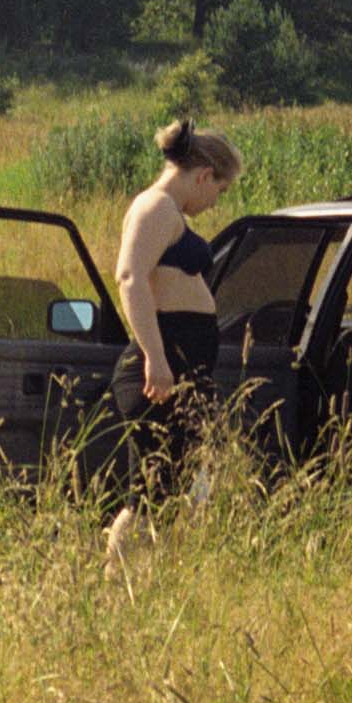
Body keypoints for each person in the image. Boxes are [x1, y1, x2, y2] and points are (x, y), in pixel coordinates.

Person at [109, 118, 243, 498]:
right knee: (151, 495)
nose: (216, 200)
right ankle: (117, 561)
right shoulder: (155, 207)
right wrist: (157, 358)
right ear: (203, 175)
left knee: (168, 493)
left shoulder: (168, 211)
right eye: (220, 188)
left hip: (179, 368)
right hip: (160, 371)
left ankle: (149, 560)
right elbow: (130, 277)